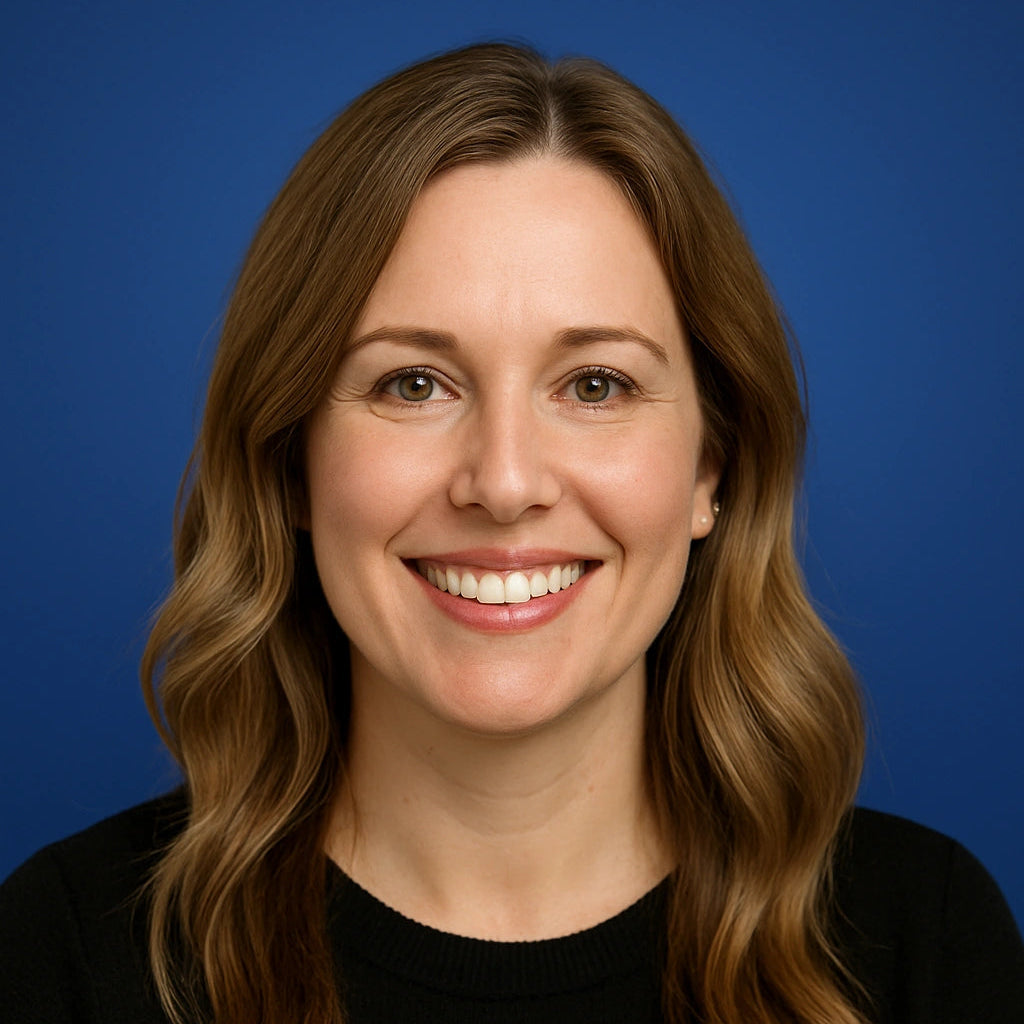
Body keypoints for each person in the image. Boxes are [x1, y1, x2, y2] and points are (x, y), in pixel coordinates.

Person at [1, 42, 1021, 1024]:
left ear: (710, 468)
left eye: (594, 384)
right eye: (412, 382)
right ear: (290, 461)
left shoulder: (920, 942)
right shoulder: (65, 953)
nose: (503, 481)